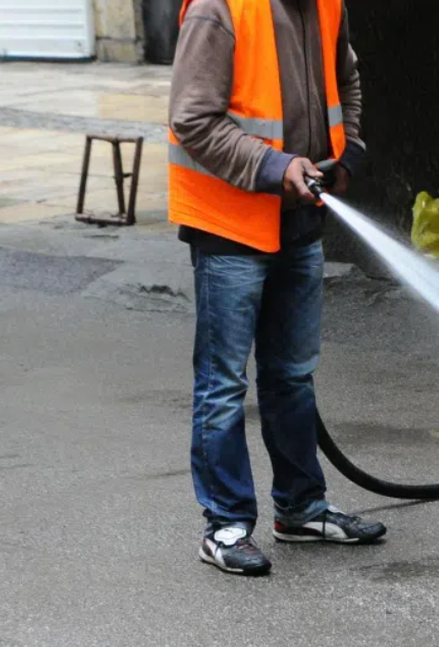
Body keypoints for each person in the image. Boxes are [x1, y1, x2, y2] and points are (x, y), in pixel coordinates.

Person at [169, 0, 385, 575]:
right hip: (230, 226)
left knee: (291, 374)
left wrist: (349, 151)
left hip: (298, 223)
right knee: (223, 384)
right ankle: (225, 525)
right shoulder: (219, 9)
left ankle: (300, 509)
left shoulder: (328, 5)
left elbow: (349, 77)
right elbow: (192, 118)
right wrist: (273, 167)